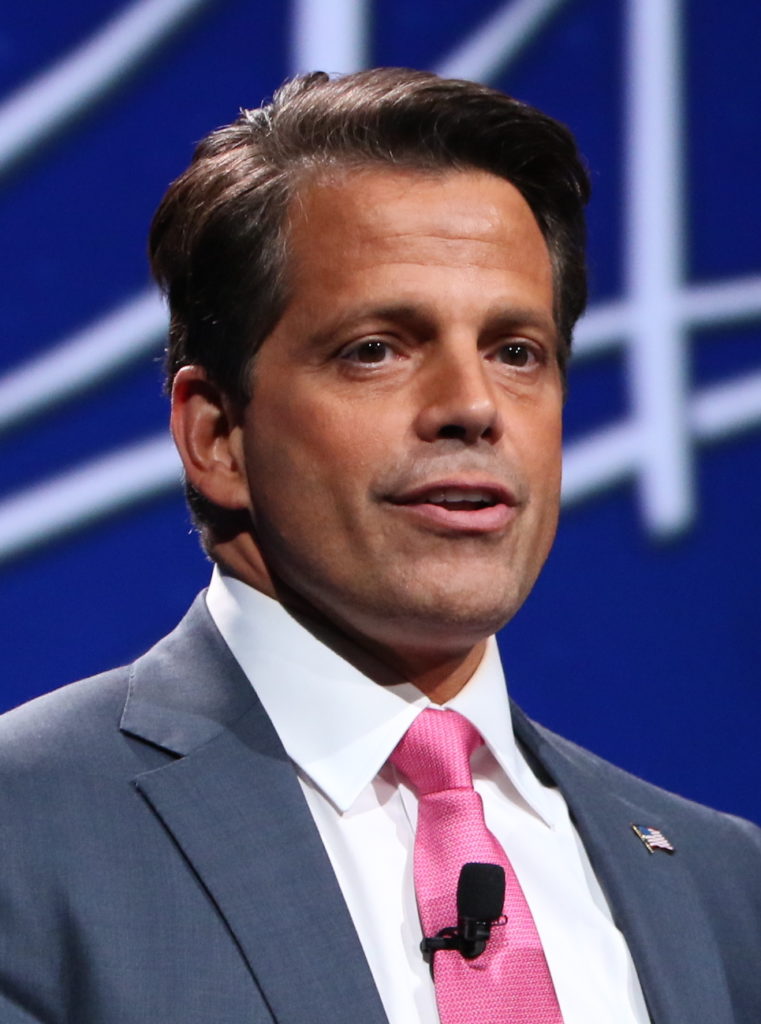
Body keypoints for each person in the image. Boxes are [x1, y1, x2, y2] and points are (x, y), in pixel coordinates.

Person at [0, 68, 759, 1024]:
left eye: (515, 352)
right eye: (376, 348)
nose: (471, 406)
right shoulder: (27, 834)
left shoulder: (726, 889)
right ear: (216, 436)